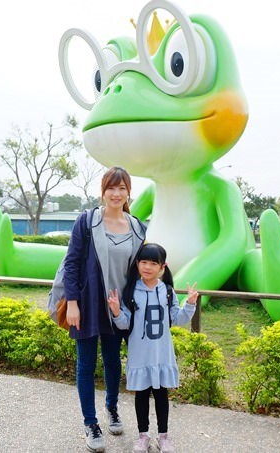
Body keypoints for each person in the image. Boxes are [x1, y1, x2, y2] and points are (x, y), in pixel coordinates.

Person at [63, 166, 146, 452]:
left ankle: (112, 408)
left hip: (118, 306)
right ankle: (90, 423)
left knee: (113, 361)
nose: (116, 193)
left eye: (122, 188)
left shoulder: (137, 226)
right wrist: (72, 303)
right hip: (87, 303)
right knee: (85, 365)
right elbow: (71, 263)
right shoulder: (87, 221)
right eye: (112, 187)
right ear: (103, 190)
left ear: (128, 192)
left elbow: (143, 268)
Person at [108, 243, 198, 453]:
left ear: (162, 267)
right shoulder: (130, 292)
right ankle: (143, 436)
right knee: (141, 396)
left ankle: (163, 437)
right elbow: (125, 324)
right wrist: (115, 311)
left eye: (153, 263)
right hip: (140, 355)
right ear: (137, 264)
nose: (147, 267)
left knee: (161, 396)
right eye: (144, 262)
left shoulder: (167, 292)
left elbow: (177, 319)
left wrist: (191, 304)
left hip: (161, 355)